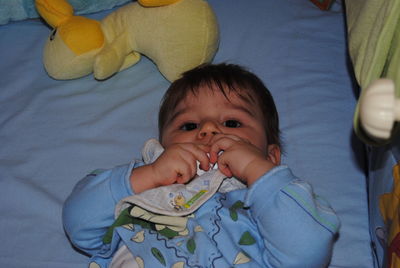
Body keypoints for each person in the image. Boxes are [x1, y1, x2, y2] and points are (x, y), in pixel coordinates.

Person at [63, 63, 340, 268]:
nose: (208, 129)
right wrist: (149, 175)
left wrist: (260, 174)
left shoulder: (276, 203)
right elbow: (79, 223)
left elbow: (306, 255)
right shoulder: (143, 184)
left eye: (232, 123)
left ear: (271, 156)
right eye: (189, 125)